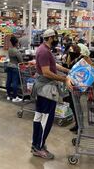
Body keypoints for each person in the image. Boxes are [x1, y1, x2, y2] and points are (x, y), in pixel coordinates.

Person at [31, 29, 72, 159]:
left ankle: (36, 144)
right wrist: (64, 79)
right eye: (55, 37)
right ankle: (39, 147)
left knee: (39, 117)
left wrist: (66, 70)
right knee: (45, 120)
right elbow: (47, 72)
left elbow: (53, 65)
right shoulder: (43, 51)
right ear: (50, 38)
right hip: (46, 90)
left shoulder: (45, 49)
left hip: (43, 88)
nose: (56, 40)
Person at [6, 36, 23, 103]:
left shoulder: (9, 49)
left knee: (8, 81)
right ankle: (15, 97)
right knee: (15, 82)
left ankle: (8, 95)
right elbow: (21, 61)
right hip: (15, 67)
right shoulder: (17, 51)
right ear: (16, 43)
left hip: (9, 65)